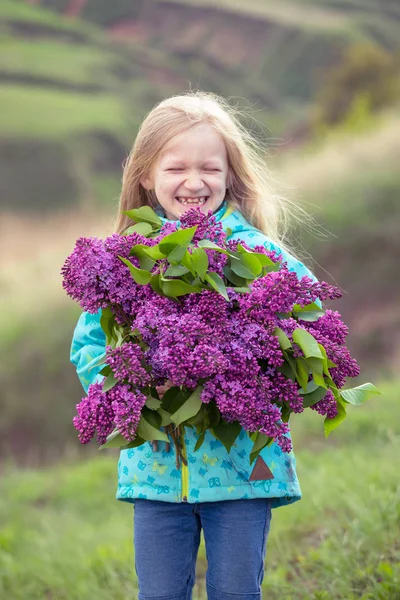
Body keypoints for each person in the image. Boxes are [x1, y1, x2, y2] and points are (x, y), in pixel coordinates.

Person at [70, 91, 318, 600]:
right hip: (157, 466)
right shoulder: (128, 262)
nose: (194, 181)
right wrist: (131, 389)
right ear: (145, 176)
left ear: (230, 174)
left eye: (210, 167)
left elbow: (310, 323)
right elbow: (90, 346)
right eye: (176, 167)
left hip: (246, 469)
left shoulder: (260, 254)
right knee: (159, 594)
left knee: (235, 592)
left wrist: (266, 366)